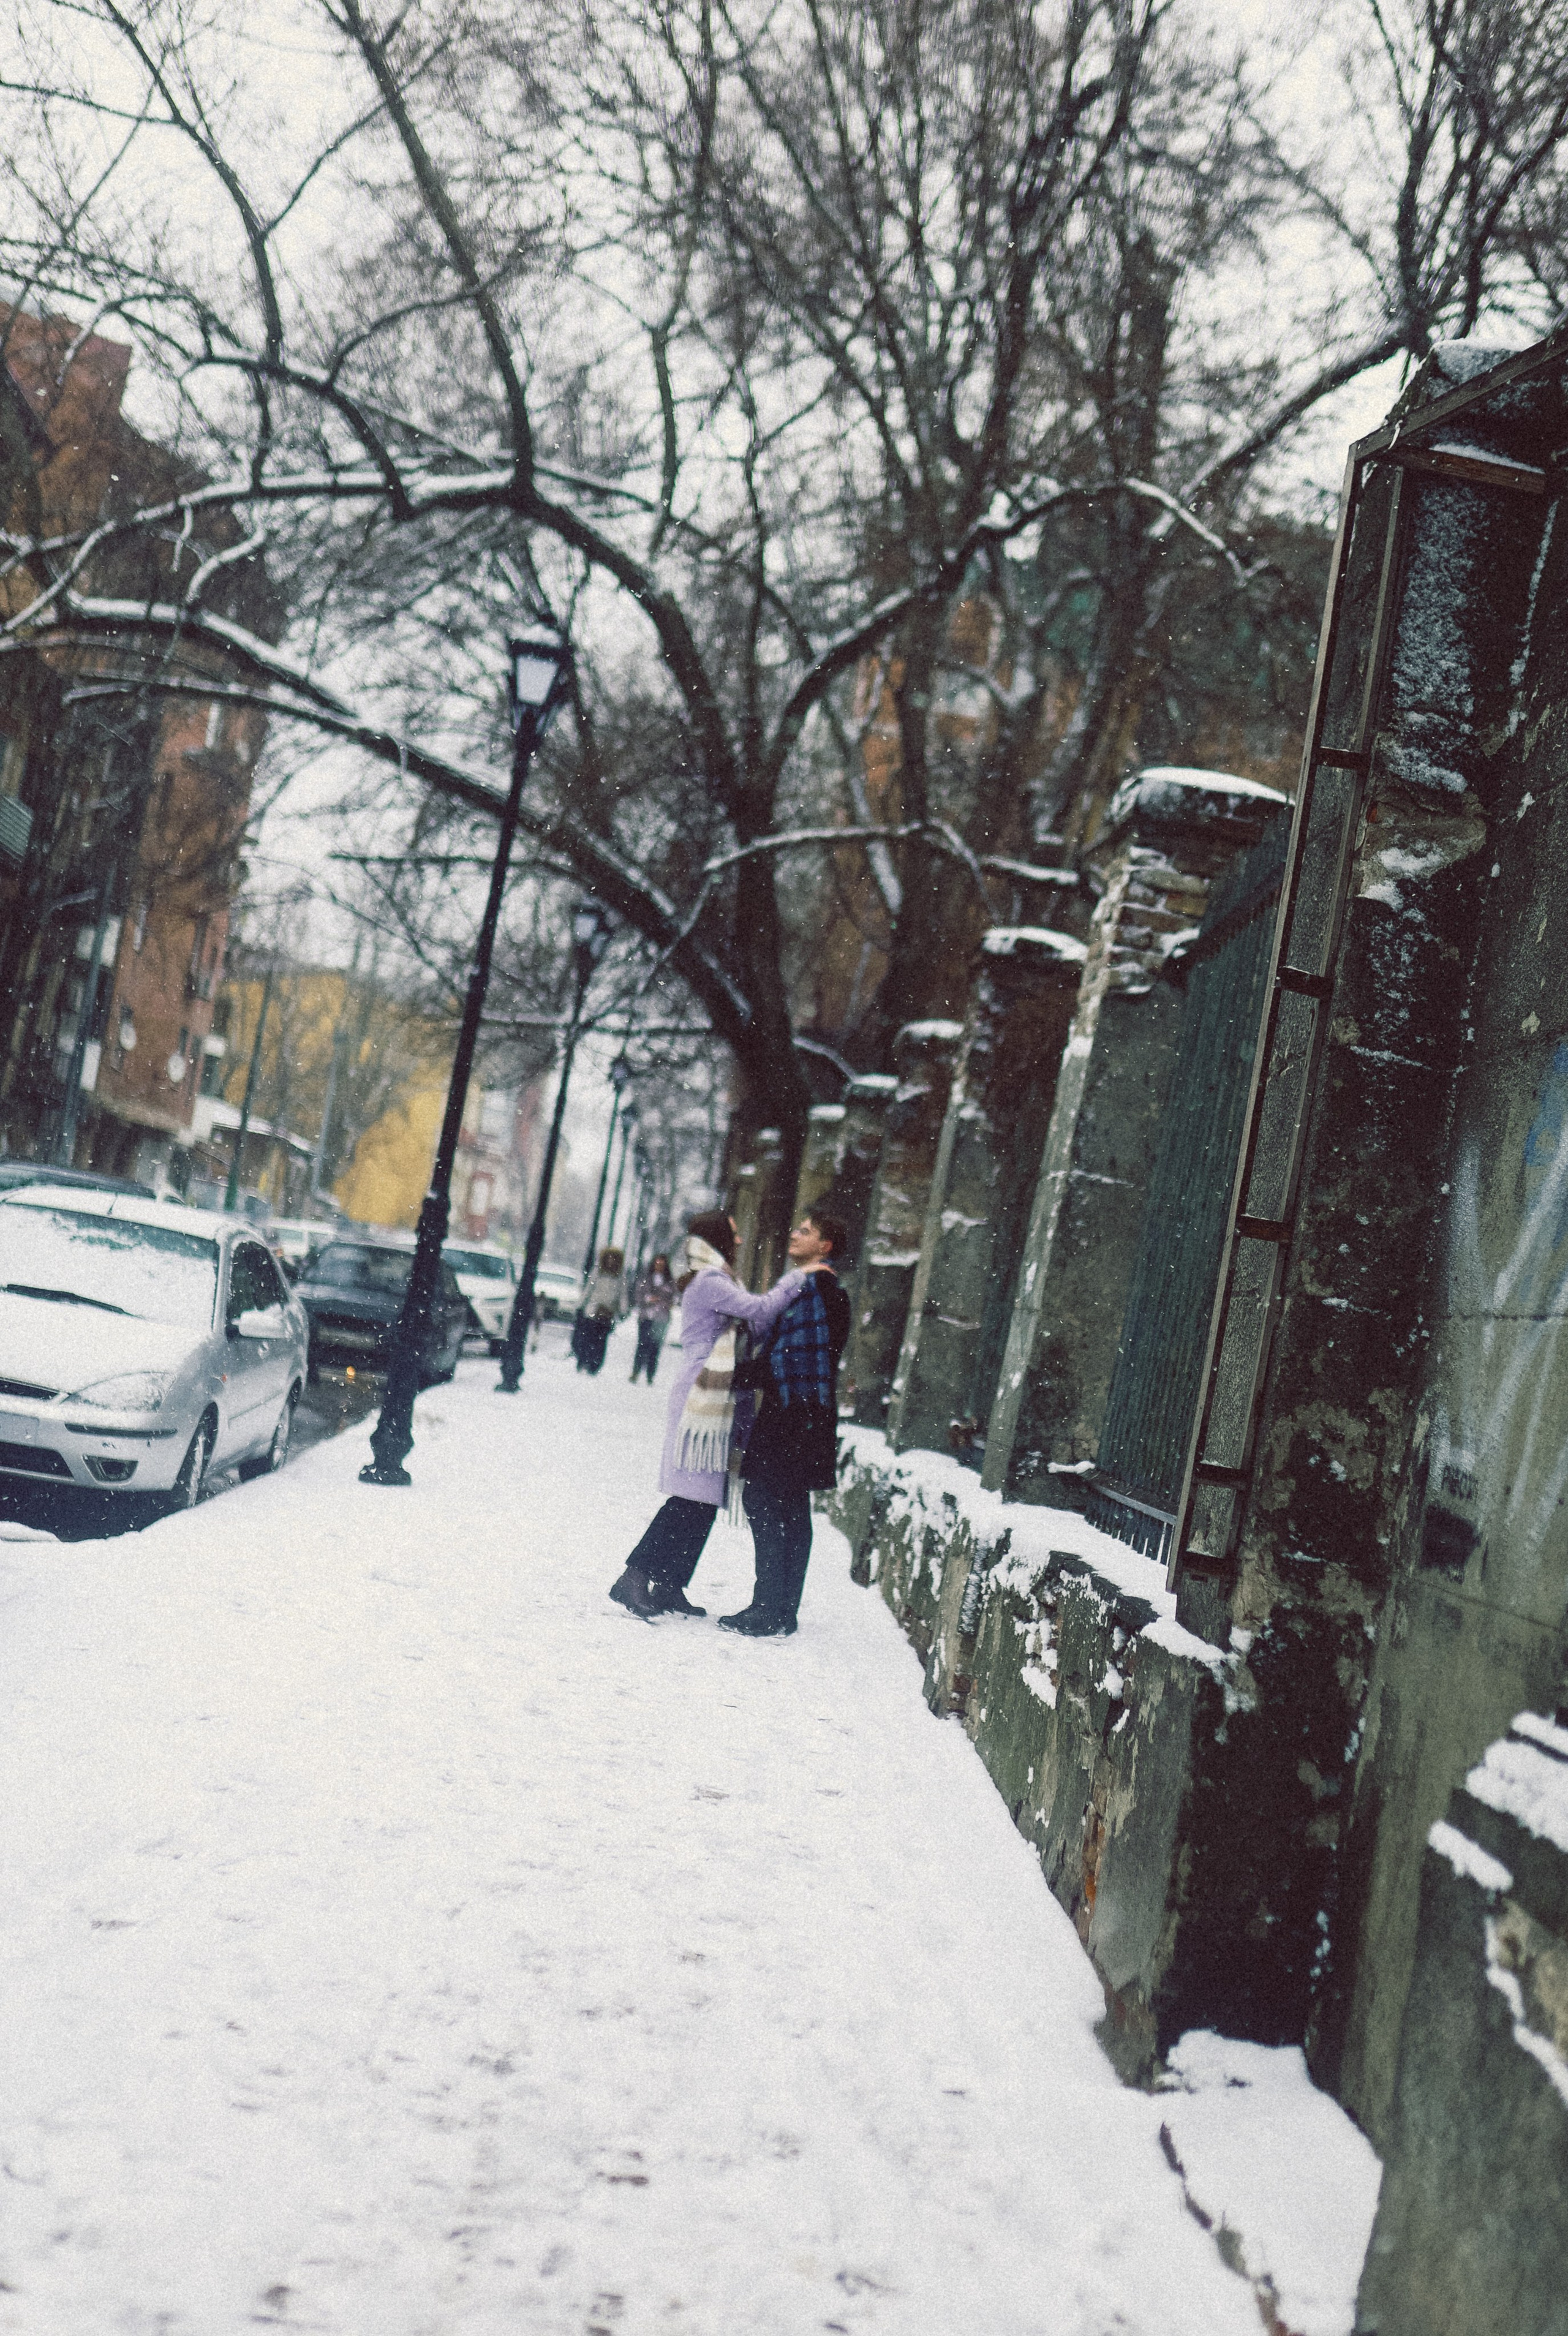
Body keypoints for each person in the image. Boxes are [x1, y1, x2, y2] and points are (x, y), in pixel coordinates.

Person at [608, 1211, 813, 1619]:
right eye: (734, 1234)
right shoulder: (711, 1282)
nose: (739, 1241)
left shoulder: (716, 1280)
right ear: (720, 1239)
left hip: (716, 1393)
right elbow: (759, 1309)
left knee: (704, 1498)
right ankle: (634, 1576)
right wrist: (797, 1277)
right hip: (702, 1393)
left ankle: (669, 1584)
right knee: (690, 1496)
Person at [722, 1210, 851, 1638]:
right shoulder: (819, 1292)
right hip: (806, 1413)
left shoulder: (817, 1293)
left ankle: (768, 1607)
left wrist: (732, 1375)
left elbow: (788, 1360)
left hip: (792, 1416)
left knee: (764, 1500)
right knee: (792, 1509)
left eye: (806, 1231)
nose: (795, 1234)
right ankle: (782, 1610)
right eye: (796, 1227)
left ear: (825, 1246)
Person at [573, 1245, 624, 1375]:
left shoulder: (619, 1277)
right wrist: (580, 1306)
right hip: (592, 1310)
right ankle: (583, 1361)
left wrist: (622, 1311)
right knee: (587, 1338)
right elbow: (588, 1291)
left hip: (607, 1313)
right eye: (609, 1258)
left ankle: (594, 1365)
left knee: (601, 1341)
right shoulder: (597, 1273)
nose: (611, 1261)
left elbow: (622, 1296)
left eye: (614, 1258)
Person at [630, 1253, 675, 1384]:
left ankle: (650, 1374)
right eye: (657, 1264)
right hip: (646, 1316)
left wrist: (664, 1303)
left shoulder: (669, 1282)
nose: (659, 1267)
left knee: (655, 1347)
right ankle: (636, 1371)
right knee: (642, 1344)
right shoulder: (646, 1279)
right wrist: (648, 1299)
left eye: (662, 1265)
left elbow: (673, 1298)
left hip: (661, 1318)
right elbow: (639, 1296)